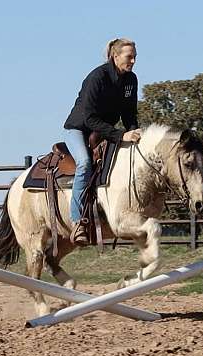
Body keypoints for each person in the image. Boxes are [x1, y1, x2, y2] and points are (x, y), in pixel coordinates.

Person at [63, 38, 142, 244]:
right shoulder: (97, 77)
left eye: (135, 57)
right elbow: (89, 118)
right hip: (78, 129)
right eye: (129, 57)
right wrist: (120, 135)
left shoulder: (131, 80)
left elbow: (129, 114)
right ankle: (77, 221)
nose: (133, 61)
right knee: (85, 164)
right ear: (115, 56)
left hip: (105, 132)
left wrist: (134, 132)